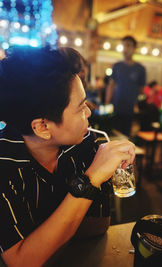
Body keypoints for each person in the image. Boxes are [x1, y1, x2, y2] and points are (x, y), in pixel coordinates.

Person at [0, 46, 135, 267]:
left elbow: (99, 226)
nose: (89, 113)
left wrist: (40, 238)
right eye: (81, 107)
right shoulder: (3, 164)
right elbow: (22, 262)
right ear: (42, 127)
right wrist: (89, 180)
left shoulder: (92, 144)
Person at [105, 35, 146, 136]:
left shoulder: (140, 69)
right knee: (113, 135)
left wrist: (137, 103)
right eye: (123, 46)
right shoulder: (117, 66)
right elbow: (111, 85)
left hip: (129, 109)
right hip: (115, 108)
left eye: (128, 46)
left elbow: (141, 89)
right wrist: (107, 104)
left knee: (125, 137)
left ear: (134, 48)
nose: (125, 49)